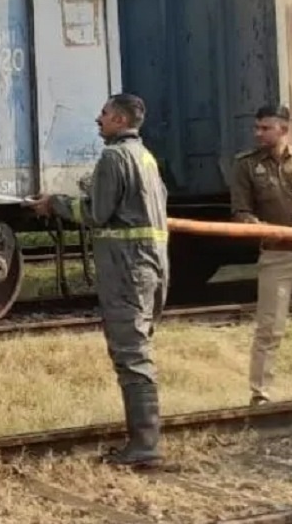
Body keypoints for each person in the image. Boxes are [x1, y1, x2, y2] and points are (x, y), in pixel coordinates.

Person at [23, 93, 170, 469]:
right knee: (138, 349)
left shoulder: (113, 157)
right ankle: (144, 440)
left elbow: (97, 213)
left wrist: (55, 204)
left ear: (120, 120)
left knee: (131, 353)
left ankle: (145, 446)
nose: (98, 119)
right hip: (152, 265)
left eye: (104, 113)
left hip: (126, 268)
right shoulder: (145, 157)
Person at [229, 104, 292, 407]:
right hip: (276, 256)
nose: (258, 133)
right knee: (270, 327)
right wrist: (257, 226)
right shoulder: (246, 165)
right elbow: (241, 211)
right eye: (257, 128)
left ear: (283, 129)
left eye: (265, 128)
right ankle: (261, 395)